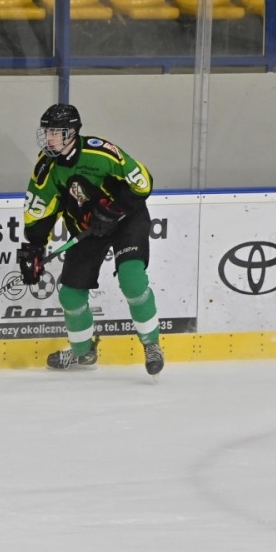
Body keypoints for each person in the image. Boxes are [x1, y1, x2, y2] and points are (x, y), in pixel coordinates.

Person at [17, 104, 165, 376]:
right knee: (70, 295)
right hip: (87, 228)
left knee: (132, 279)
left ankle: (151, 344)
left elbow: (143, 182)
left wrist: (115, 210)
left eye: (56, 132)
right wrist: (34, 247)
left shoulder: (100, 153)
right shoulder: (46, 168)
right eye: (47, 132)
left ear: (72, 132)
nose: (49, 138)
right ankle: (82, 352)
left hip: (126, 219)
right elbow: (41, 209)